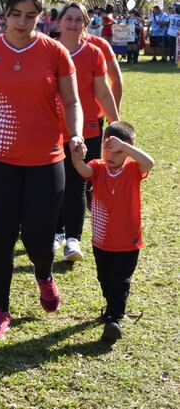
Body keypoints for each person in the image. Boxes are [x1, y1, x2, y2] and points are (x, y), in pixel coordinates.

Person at [0, 0, 84, 340]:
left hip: (47, 160)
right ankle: (0, 311)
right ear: (5, 12)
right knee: (1, 237)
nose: (22, 22)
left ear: (40, 16)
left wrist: (74, 134)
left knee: (38, 239)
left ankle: (44, 276)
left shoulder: (55, 52)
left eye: (31, 16)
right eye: (16, 14)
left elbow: (72, 102)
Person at [70, 121, 153, 342]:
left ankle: (114, 319)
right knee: (104, 277)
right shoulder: (98, 166)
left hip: (128, 242)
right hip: (101, 241)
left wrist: (126, 147)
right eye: (108, 148)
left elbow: (149, 162)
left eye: (118, 151)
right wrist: (77, 158)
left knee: (120, 279)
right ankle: (112, 305)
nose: (111, 154)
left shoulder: (134, 169)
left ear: (127, 152)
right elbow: (84, 171)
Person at [54, 2, 120, 263]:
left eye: (78, 20)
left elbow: (102, 91)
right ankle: (56, 232)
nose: (72, 24)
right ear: (59, 22)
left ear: (85, 24)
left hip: (87, 128)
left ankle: (73, 240)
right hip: (51, 129)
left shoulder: (93, 52)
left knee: (78, 183)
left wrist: (116, 125)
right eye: (68, 19)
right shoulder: (49, 50)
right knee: (54, 184)